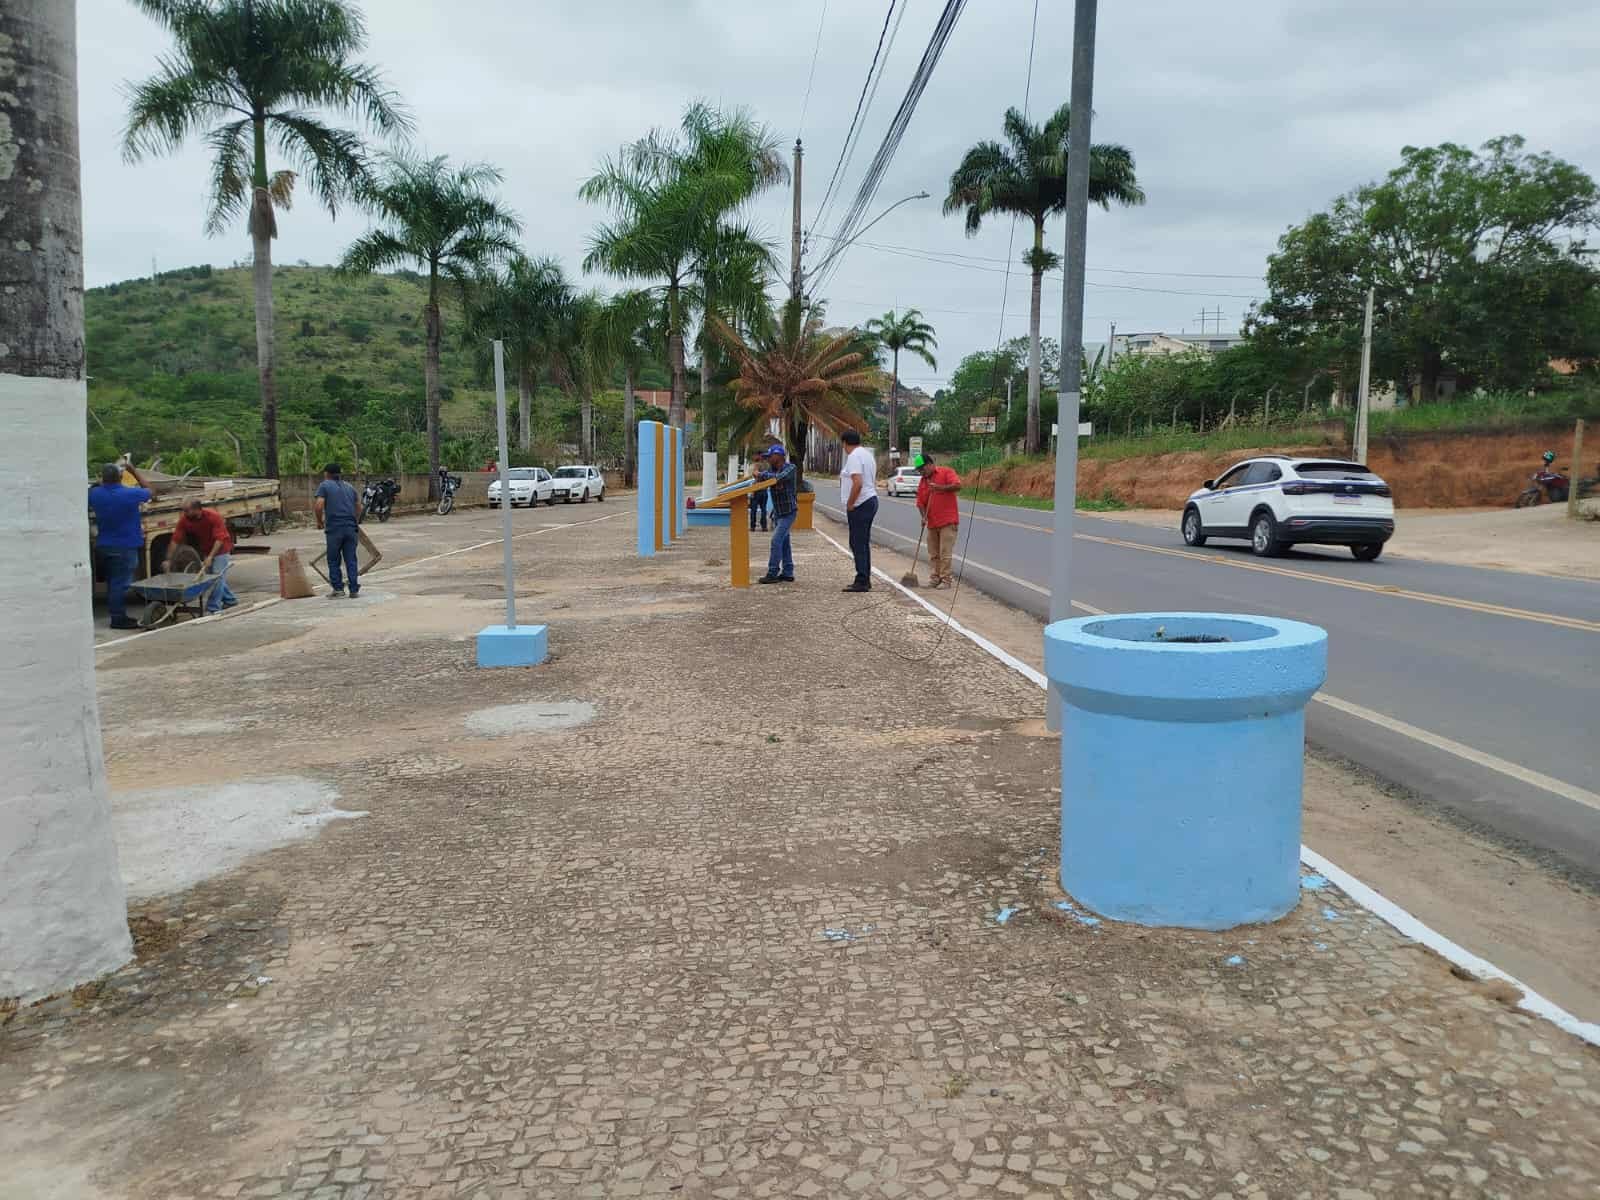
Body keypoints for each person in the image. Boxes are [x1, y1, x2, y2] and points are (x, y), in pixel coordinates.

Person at [88, 461, 153, 629]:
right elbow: (151, 491)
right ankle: (118, 619)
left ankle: (118, 615)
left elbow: (92, 489)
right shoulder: (130, 493)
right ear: (121, 477)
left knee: (113, 583)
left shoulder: (94, 494)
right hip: (124, 546)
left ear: (103, 478)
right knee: (119, 584)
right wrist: (133, 470)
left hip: (104, 545)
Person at [165, 498, 239, 614]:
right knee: (211, 580)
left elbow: (219, 539)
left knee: (217, 578)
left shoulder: (213, 517)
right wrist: (168, 560)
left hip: (221, 549)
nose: (184, 513)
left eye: (187, 511)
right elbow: (175, 540)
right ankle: (231, 600)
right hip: (207, 549)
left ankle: (213, 607)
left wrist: (210, 557)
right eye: (184, 511)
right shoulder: (185, 519)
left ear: (197, 509)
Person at [314, 463, 364, 598]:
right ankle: (353, 590)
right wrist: (355, 521)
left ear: (327, 474)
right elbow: (359, 507)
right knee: (351, 559)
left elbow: (319, 505)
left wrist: (319, 521)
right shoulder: (349, 487)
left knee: (333, 559)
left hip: (335, 527)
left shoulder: (324, 485)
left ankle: (338, 589)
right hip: (350, 527)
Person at [914, 452, 963, 588]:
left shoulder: (946, 472)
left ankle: (946, 580)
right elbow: (920, 502)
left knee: (944, 552)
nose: (921, 472)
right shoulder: (923, 481)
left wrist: (939, 488)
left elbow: (958, 485)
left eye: (922, 469)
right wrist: (923, 516)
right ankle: (935, 578)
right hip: (932, 522)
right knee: (933, 553)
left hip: (948, 521)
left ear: (930, 464)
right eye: (919, 470)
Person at [839, 428, 878, 592]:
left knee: (857, 542)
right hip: (869, 500)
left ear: (845, 443)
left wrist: (850, 503)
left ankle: (862, 580)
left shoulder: (854, 456)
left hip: (860, 503)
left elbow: (858, 482)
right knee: (862, 542)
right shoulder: (866, 455)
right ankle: (864, 578)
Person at [755, 445, 797, 584]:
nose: (768, 459)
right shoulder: (770, 470)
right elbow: (761, 479)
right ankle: (788, 572)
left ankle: (772, 572)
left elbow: (779, 478)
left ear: (778, 456)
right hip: (778, 513)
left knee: (776, 540)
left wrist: (761, 475)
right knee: (784, 543)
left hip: (789, 512)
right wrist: (758, 475)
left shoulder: (790, 468)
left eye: (770, 456)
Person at [748, 463, 770, 532]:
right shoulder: (765, 467)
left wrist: (752, 492)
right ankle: (764, 526)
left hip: (756, 491)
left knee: (753, 510)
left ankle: (752, 527)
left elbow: (755, 475)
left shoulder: (757, 466)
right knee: (763, 509)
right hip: (764, 491)